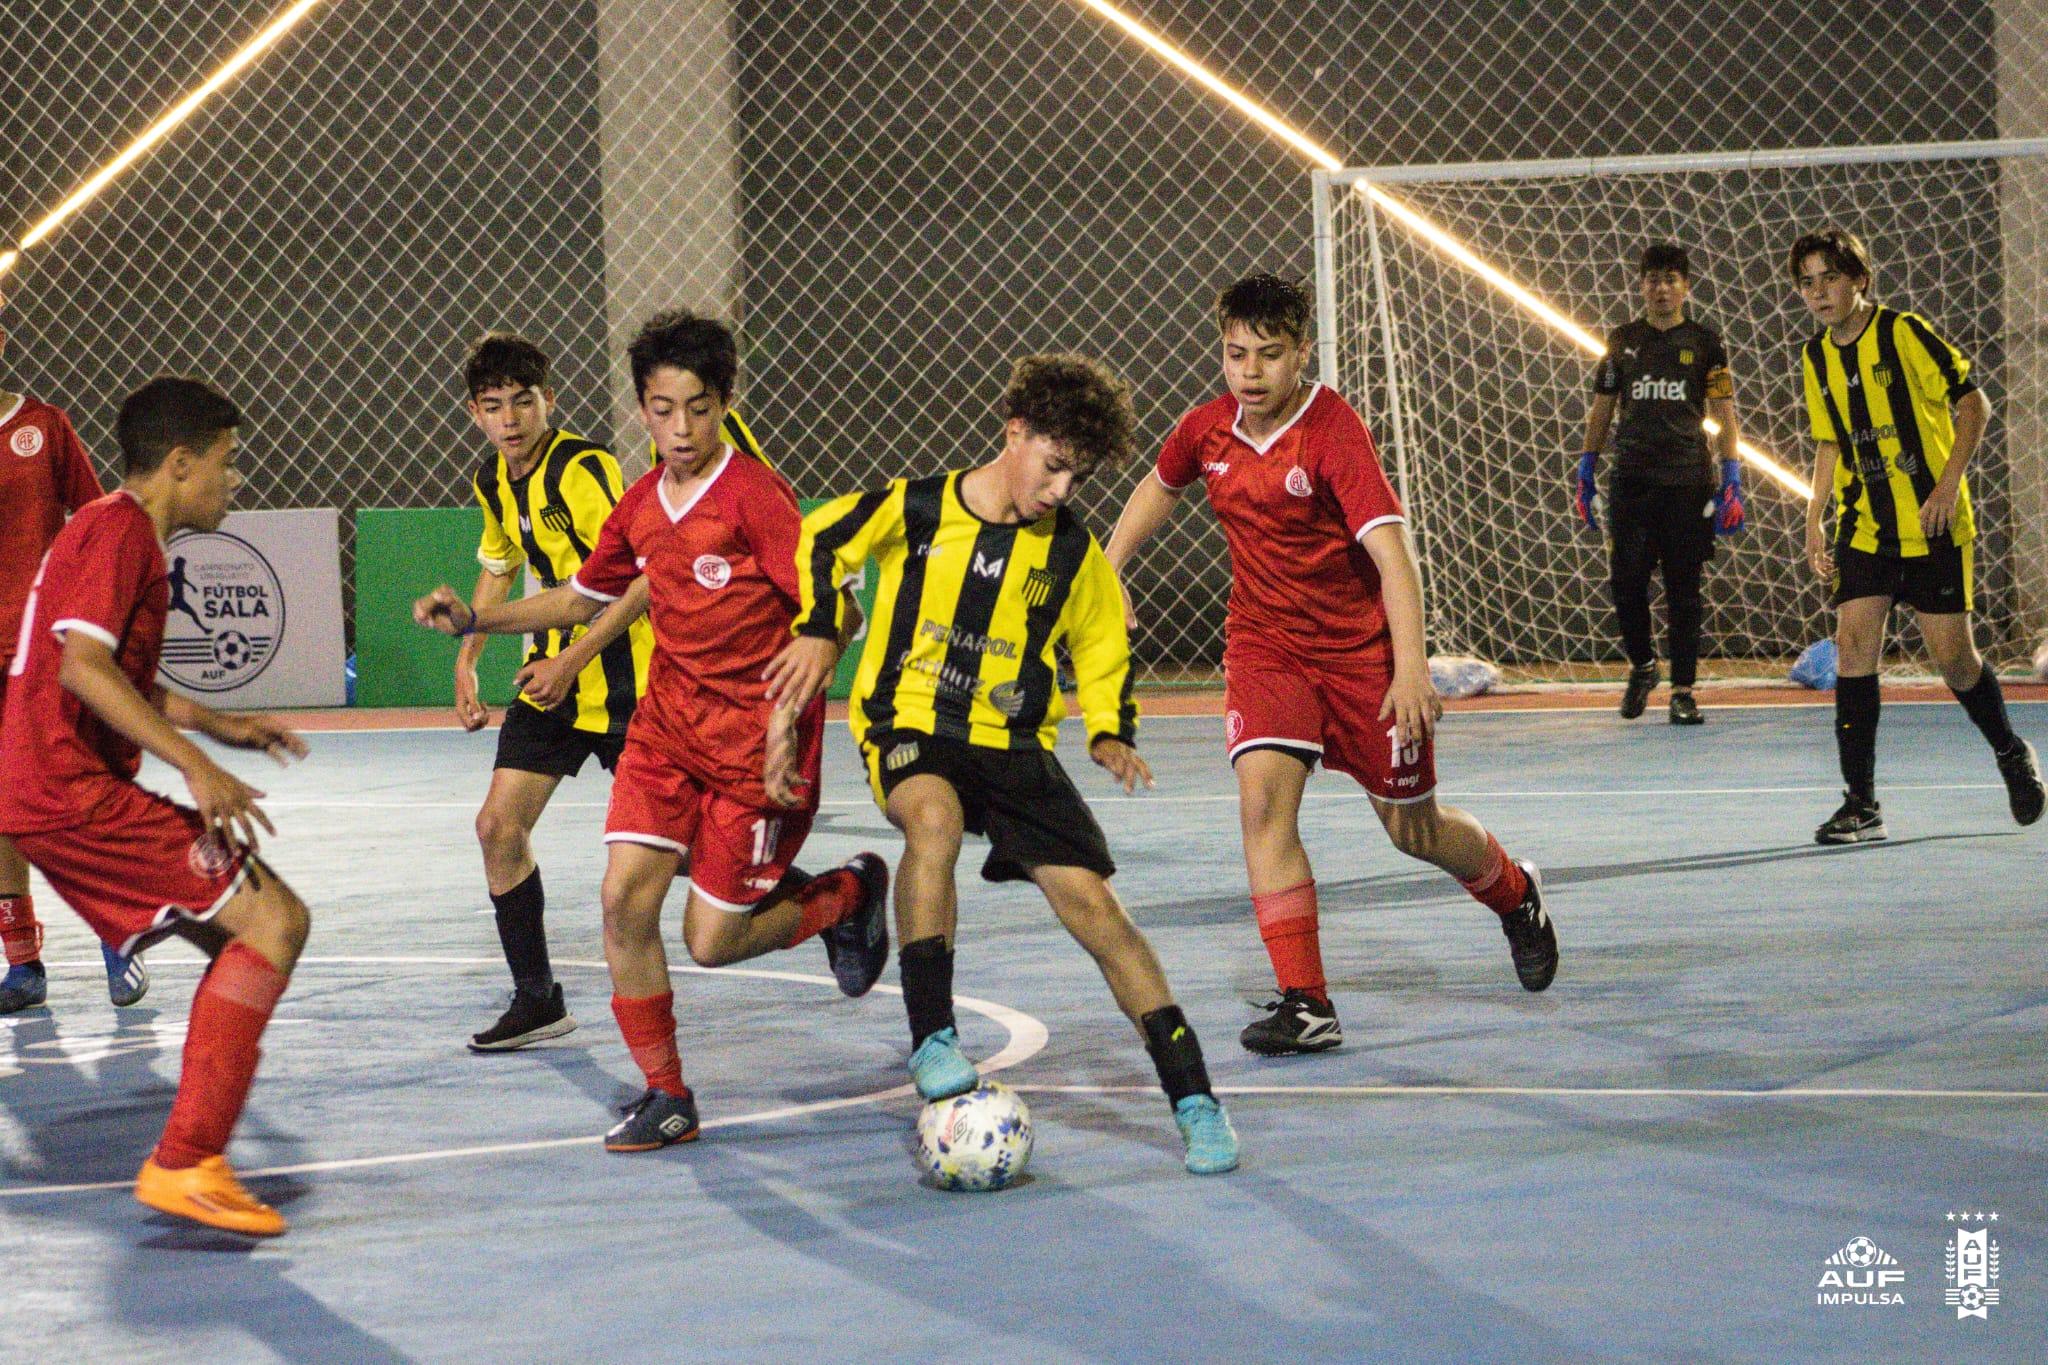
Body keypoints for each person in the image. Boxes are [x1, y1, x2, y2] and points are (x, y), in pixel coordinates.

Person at [416, 310, 887, 1152]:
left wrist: (816, 652)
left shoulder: (756, 497)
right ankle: (667, 1093)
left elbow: (835, 601)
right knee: (622, 900)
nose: (681, 430)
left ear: (725, 402)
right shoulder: (638, 505)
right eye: (663, 410)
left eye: (699, 410)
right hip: (666, 731)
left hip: (755, 743)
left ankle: (846, 895)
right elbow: (580, 597)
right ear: (641, 408)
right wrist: (473, 624)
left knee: (712, 940)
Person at [774, 353, 1241, 1176]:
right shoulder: (916, 506)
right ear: (1013, 432)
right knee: (934, 819)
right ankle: (934, 1039)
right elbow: (820, 538)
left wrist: (1107, 727)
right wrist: (820, 622)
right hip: (908, 720)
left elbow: (1101, 639)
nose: (1062, 488)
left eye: (1078, 473)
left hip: (1013, 743)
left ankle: (1195, 1097)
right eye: (1054, 464)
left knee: (1097, 909)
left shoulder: (1071, 553)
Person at [1105, 272, 1556, 1058]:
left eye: (1269, 356)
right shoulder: (1205, 429)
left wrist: (1410, 667)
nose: (1249, 372)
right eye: (1235, 353)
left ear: (1303, 352)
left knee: (1413, 830)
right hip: (1266, 649)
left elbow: (1392, 558)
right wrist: (1110, 565)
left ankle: (1516, 893)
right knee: (1263, 809)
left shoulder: (1333, 428)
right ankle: (1308, 1002)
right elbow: (1159, 484)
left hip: (1361, 660)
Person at [0, 377, 313, 1236]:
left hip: (47, 790)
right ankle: (186, 1161)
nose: (235, 480)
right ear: (180, 464)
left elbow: (122, 675)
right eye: (227, 462)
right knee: (275, 922)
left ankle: (196, 1142)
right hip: (70, 793)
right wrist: (197, 767)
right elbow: (82, 670)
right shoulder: (121, 532)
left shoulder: (112, 529)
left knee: (245, 932)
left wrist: (225, 725)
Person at [1791, 228, 2043, 842]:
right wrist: (1815, 516)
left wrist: (1946, 486)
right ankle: (1862, 803)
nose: (1819, 292)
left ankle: (2011, 752)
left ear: (1859, 279)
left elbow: (1974, 405)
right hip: (1865, 527)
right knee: (1853, 648)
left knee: (1955, 662)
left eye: (1830, 278)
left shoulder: (1904, 332)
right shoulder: (1816, 356)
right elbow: (1830, 439)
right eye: (1807, 283)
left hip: (1932, 526)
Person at [451, 333, 654, 1052]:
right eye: (494, 405)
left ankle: (831, 899)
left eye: (523, 402)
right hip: (554, 683)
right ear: (476, 412)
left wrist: (573, 658)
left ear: (549, 401)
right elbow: (500, 563)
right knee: (497, 828)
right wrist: (469, 658)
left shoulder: (583, 467)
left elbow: (636, 578)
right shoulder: (493, 479)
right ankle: (538, 999)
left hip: (631, 683)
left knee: (677, 851)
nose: (510, 419)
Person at [0, 292, 149, 1014]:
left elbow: (94, 522)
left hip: (47, 645)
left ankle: (116, 942)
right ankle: (21, 961)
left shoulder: (42, 425)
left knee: (75, 792)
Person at [1575, 243, 1745, 724]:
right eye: (1652, 279)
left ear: (1685, 285)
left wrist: (1731, 479)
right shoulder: (1623, 340)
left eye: (1671, 278)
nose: (1661, 288)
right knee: (1626, 583)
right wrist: (1586, 469)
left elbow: (1725, 416)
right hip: (1631, 482)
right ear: (1641, 285)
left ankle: (1683, 692)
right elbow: (1602, 409)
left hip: (1688, 483)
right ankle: (1643, 667)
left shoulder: (1707, 343)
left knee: (1684, 589)